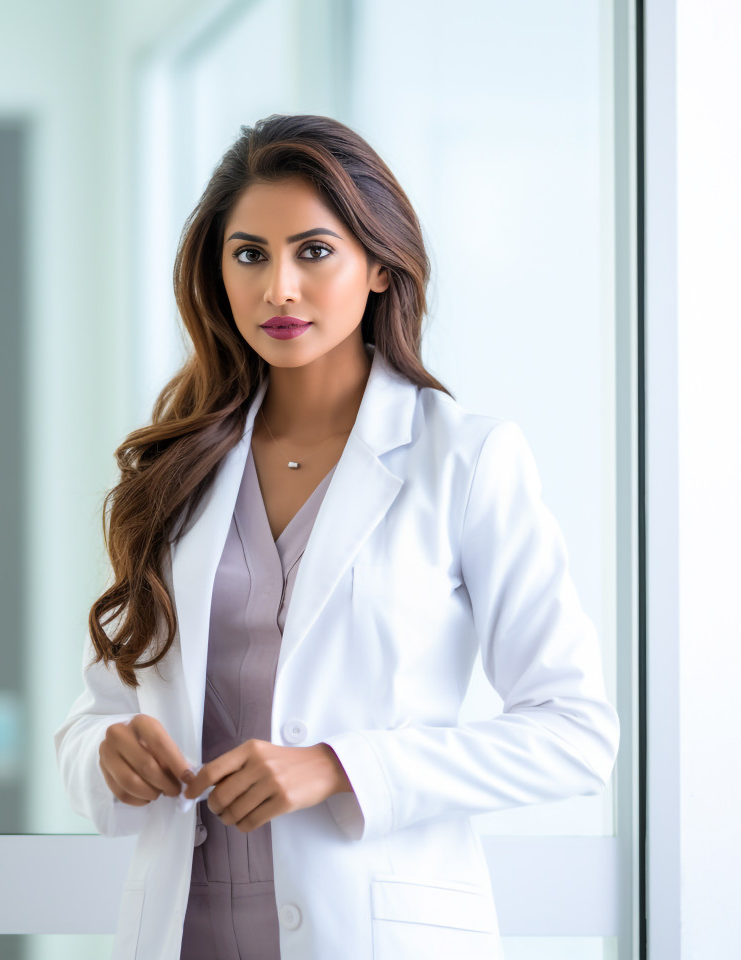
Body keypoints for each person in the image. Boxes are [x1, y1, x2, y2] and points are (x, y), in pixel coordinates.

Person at [53, 114, 620, 960]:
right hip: (186, 928)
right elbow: (97, 712)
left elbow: (575, 734)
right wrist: (106, 752)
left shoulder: (464, 460)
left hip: (375, 931)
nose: (279, 288)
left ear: (381, 266)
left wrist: (344, 767)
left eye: (313, 252)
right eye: (249, 255)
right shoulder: (174, 472)